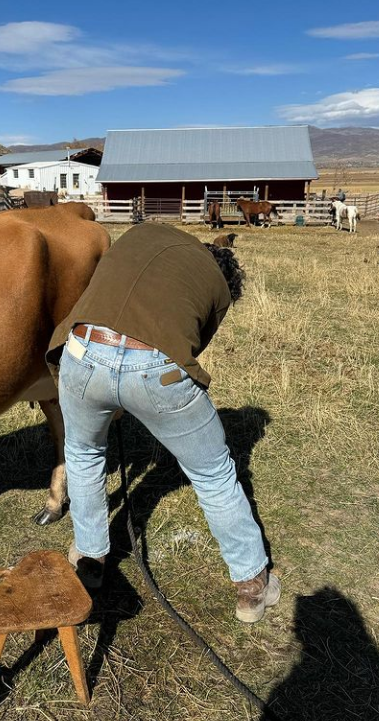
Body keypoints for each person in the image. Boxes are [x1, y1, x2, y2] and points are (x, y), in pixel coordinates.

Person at [46, 223, 280, 623]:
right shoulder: (217, 285)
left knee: (83, 455)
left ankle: (90, 560)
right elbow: (188, 345)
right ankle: (252, 588)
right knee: (213, 474)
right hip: (155, 368)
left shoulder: (141, 232)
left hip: (81, 350)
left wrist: (111, 385)